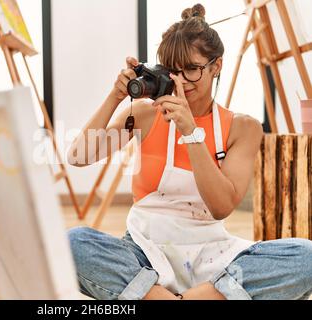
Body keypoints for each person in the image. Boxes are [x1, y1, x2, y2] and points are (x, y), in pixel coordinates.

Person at [66, 3, 312, 300]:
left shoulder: (242, 128)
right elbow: (77, 157)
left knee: (306, 256)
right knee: (73, 242)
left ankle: (164, 297)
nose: (181, 81)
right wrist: (114, 97)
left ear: (216, 66)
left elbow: (221, 207)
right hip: (144, 252)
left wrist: (191, 133)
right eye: (172, 71)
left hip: (212, 256)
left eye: (192, 70)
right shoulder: (145, 114)